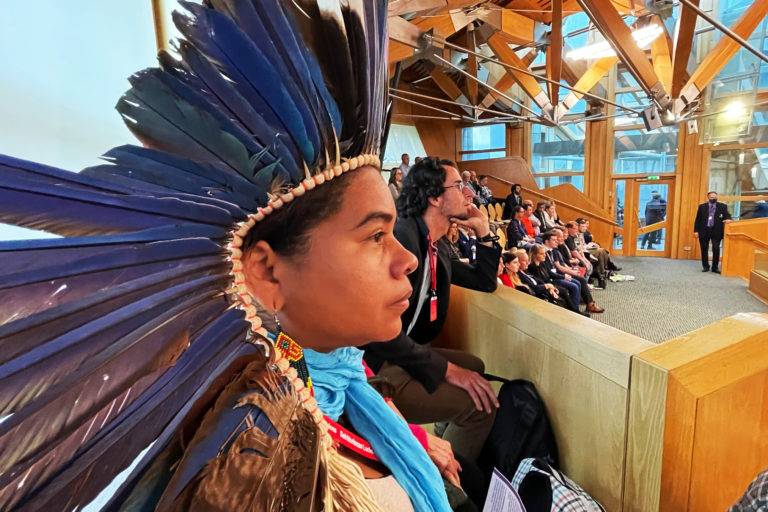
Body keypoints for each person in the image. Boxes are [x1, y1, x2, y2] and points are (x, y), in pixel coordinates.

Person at [0, 2, 460, 510]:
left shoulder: (309, 372)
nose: (406, 260)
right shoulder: (253, 452)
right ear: (266, 271)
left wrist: (411, 439)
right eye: (375, 236)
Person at [364, 157, 501, 465]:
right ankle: (453, 482)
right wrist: (449, 371)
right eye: (459, 186)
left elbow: (484, 281)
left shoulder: (436, 244)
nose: (470, 194)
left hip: (407, 353)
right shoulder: (404, 239)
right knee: (483, 406)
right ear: (435, 197)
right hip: (379, 365)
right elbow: (377, 331)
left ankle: (445, 441)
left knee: (476, 366)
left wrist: (484, 231)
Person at [528, 243, 585, 314]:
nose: (544, 255)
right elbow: (539, 281)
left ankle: (574, 310)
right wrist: (551, 288)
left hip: (550, 284)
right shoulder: (532, 267)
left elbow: (551, 274)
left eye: (545, 253)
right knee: (564, 291)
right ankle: (574, 311)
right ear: (534, 255)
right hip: (545, 287)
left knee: (566, 290)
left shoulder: (542, 264)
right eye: (541, 254)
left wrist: (563, 276)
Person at [694, 191, 732, 273]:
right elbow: (698, 219)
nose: (713, 199)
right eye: (712, 197)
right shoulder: (702, 207)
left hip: (717, 231)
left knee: (716, 248)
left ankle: (715, 267)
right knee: (704, 249)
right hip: (704, 230)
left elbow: (727, 215)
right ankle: (706, 266)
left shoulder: (723, 206)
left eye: (715, 197)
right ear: (708, 197)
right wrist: (696, 231)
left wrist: (728, 219)